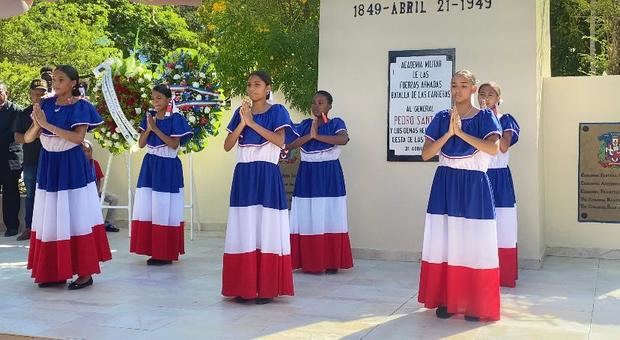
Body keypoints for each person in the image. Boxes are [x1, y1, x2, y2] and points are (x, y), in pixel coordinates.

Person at [417, 70, 502, 321]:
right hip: (445, 182)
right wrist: (449, 133)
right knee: (445, 241)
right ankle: (447, 300)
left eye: (464, 85)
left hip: (474, 183)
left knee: (474, 243)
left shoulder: (485, 116)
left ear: (473, 89)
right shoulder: (442, 117)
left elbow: (493, 149)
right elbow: (425, 154)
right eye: (454, 85)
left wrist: (461, 133)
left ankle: (475, 304)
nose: (458, 90)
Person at [25, 65, 111, 290]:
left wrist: (46, 125)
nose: (56, 83)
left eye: (61, 79)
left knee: (75, 214)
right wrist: (37, 125)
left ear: (73, 83)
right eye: (54, 79)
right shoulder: (45, 104)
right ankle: (54, 270)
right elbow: (27, 138)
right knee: (51, 214)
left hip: (71, 166)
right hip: (49, 165)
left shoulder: (81, 106)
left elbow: (77, 138)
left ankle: (84, 272)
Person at [222, 71, 297, 304]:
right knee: (244, 227)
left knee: (266, 228)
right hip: (244, 173)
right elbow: (227, 145)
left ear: (267, 88)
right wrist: (243, 122)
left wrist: (252, 123)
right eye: (249, 85)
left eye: (257, 84)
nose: (252, 88)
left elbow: (280, 141)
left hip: (266, 173)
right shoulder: (240, 112)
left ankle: (266, 288)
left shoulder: (277, 111)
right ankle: (243, 285)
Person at [287, 90, 353, 274]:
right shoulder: (306, 125)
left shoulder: (336, 123)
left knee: (330, 214)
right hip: (308, 174)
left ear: (329, 106)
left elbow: (343, 139)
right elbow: (290, 144)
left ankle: (331, 261)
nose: (316, 106)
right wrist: (310, 135)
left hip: (330, 174)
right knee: (308, 215)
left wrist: (317, 137)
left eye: (321, 102)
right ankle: (310, 261)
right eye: (314, 102)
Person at [130, 84, 193, 265]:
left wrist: (156, 129)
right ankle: (153, 249)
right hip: (150, 165)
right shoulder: (149, 118)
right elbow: (141, 144)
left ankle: (165, 252)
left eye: (159, 98)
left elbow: (174, 144)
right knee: (149, 207)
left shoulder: (176, 118)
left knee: (165, 207)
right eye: (153, 98)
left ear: (167, 99)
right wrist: (150, 127)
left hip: (167, 166)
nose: (155, 101)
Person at [479, 82, 521, 288]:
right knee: (480, 225)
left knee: (503, 226)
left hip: (500, 177)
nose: (485, 97)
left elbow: (502, 147)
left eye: (491, 94)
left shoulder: (505, 120)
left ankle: (503, 274)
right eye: (482, 94)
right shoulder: (474, 120)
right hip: (479, 176)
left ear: (498, 98)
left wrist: (493, 119)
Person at [13, 79, 46, 240]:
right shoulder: (24, 113)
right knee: (31, 194)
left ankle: (47, 227)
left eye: (42, 93)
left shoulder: (54, 111)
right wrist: (32, 135)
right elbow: (18, 137)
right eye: (36, 94)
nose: (39, 97)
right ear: (30, 95)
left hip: (50, 160)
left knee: (50, 193)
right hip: (31, 160)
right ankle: (29, 227)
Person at [82, 140, 120, 232]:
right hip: (82, 193)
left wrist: (97, 192)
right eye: (85, 151)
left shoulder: (95, 164)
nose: (87, 153)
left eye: (89, 151)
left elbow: (98, 179)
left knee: (114, 198)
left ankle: (108, 223)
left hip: (94, 191)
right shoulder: (77, 164)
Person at [0, 82, 23, 237]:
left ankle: (12, 226)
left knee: (11, 192)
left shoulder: (16, 110)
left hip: (10, 157)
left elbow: (13, 132)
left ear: (6, 92)